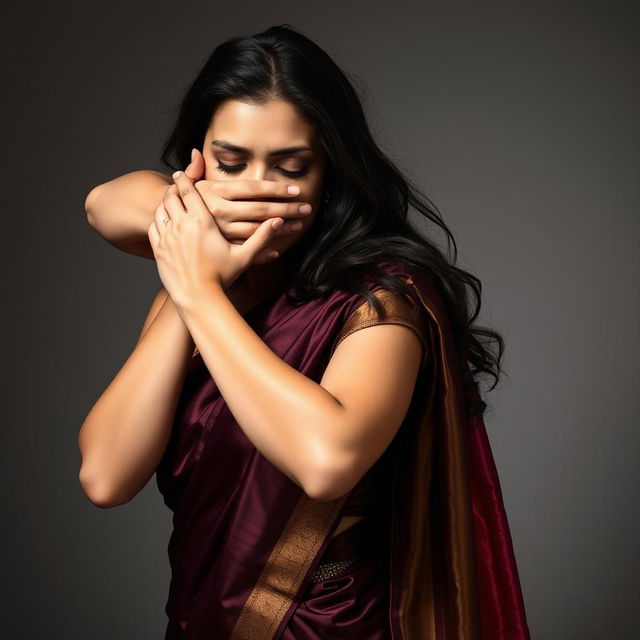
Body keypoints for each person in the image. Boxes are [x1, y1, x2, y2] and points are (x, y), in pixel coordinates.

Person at [78, 24, 530, 639]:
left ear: (332, 171)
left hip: (330, 626)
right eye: (232, 163)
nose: (258, 192)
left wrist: (198, 292)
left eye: (289, 167)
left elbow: (327, 461)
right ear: (197, 161)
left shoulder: (382, 298)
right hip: (200, 620)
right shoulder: (191, 283)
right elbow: (105, 475)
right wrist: (190, 280)